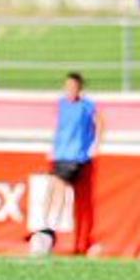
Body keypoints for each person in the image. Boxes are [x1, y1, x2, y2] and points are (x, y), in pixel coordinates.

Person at [31, 72, 101, 256]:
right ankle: (45, 226)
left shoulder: (87, 106)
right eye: (67, 86)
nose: (69, 90)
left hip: (75, 156)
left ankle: (49, 229)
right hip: (60, 154)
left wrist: (94, 146)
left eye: (73, 86)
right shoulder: (61, 104)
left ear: (80, 88)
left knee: (60, 187)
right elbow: (59, 128)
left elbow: (99, 123)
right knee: (52, 188)